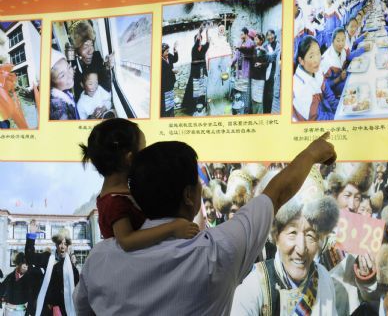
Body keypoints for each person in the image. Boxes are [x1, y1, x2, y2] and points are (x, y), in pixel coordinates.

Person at [73, 132, 337, 315]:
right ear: (189, 196)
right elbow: (276, 194)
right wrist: (312, 152)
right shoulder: (216, 252)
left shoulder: (99, 259)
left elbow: (84, 309)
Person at [80, 118, 199, 251]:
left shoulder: (117, 196)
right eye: (143, 151)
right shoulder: (115, 202)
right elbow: (127, 241)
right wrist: (172, 228)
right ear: (130, 159)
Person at [230, 170, 340, 315]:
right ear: (276, 235)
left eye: (310, 235)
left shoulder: (323, 279)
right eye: (292, 233)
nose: (301, 249)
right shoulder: (254, 287)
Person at [25, 225, 79, 316]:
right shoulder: (47, 258)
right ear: (56, 244)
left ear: (68, 246)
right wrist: (32, 235)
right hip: (46, 309)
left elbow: (77, 290)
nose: (62, 247)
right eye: (60, 243)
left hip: (65, 310)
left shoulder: (72, 269)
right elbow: (29, 257)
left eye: (65, 244)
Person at [293, 36, 339, 121]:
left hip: (326, 113)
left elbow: (330, 96)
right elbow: (317, 118)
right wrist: (339, 119)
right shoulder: (299, 88)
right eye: (311, 56)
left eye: (318, 53)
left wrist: (340, 110)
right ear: (301, 61)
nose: (317, 60)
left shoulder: (316, 70)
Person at [69, 20, 113, 101]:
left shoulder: (97, 56)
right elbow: (78, 98)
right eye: (85, 46)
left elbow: (106, 87)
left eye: (92, 45)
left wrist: (107, 67)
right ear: (77, 50)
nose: (91, 51)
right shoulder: (72, 67)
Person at [182, 25, 210, 115]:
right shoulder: (193, 49)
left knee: (202, 89)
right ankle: (193, 108)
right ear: (195, 41)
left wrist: (206, 32)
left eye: (200, 39)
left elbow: (208, 42)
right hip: (195, 72)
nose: (199, 40)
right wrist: (199, 31)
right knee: (195, 90)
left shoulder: (203, 48)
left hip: (202, 70)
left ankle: (201, 105)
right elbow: (198, 39)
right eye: (198, 39)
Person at [231, 27, 255, 114]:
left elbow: (251, 56)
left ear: (246, 34)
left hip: (247, 71)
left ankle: (246, 110)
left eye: (242, 34)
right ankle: (239, 109)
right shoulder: (239, 42)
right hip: (239, 71)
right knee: (239, 90)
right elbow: (236, 55)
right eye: (240, 34)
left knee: (246, 92)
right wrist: (232, 62)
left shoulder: (251, 43)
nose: (240, 36)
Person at [49, 49, 79, 120]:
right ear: (51, 82)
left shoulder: (65, 91)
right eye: (62, 75)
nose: (69, 75)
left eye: (69, 68)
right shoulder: (58, 107)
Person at [263, 30, 281, 113]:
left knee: (273, 93)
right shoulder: (266, 46)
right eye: (268, 35)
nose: (270, 37)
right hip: (267, 71)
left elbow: (272, 56)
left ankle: (271, 111)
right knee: (266, 93)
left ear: (274, 35)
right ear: (266, 37)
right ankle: (266, 111)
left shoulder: (278, 46)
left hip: (275, 71)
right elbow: (264, 57)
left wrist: (268, 56)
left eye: (271, 35)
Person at [161, 42, 178, 117]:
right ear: (162, 52)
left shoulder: (169, 56)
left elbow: (175, 59)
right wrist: (171, 71)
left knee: (170, 99)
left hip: (171, 82)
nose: (168, 52)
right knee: (166, 102)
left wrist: (175, 50)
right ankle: (168, 114)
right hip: (165, 84)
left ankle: (171, 113)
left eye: (168, 50)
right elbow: (163, 73)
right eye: (166, 51)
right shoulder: (159, 61)